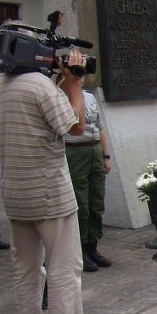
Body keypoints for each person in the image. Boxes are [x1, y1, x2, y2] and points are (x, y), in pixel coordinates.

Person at [0, 46, 107, 314]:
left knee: (25, 273)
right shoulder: (38, 85)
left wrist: (61, 81)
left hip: (15, 194)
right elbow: (76, 126)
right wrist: (76, 83)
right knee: (64, 271)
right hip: (50, 194)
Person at [65, 84, 112, 273]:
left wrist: (106, 156)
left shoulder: (90, 97)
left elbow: (99, 128)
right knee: (81, 204)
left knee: (96, 201)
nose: (81, 77)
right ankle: (81, 249)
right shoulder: (61, 95)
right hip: (75, 151)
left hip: (94, 150)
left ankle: (93, 245)